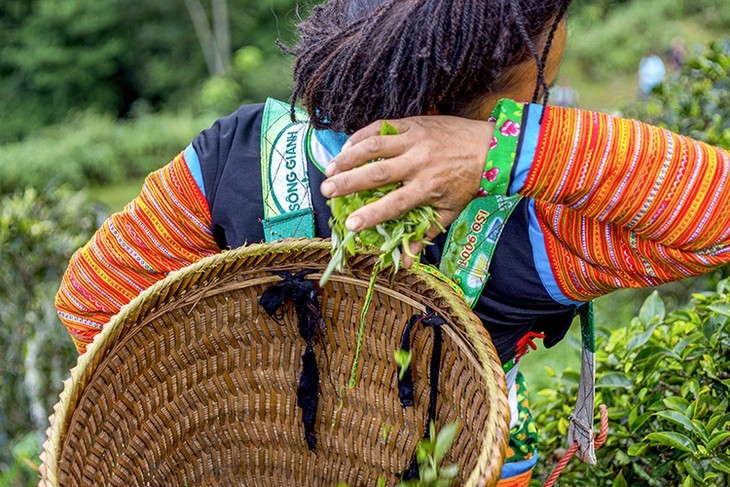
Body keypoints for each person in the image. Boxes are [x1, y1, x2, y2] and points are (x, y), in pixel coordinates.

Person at [55, 0, 730, 485]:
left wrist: (241, 409)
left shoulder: (234, 158)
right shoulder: (542, 214)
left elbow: (94, 302)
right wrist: (513, 151)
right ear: (506, 78)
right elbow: (716, 216)